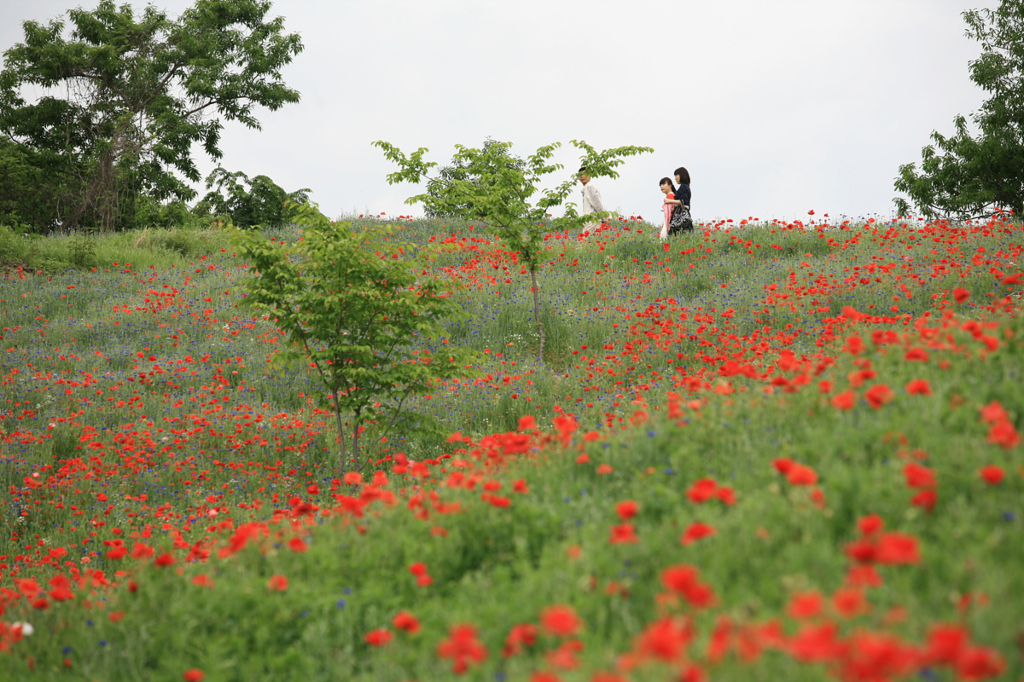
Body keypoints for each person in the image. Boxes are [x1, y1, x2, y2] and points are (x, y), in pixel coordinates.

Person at [663, 166, 693, 234]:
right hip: (683, 215)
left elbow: (683, 202)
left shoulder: (683, 187)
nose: (675, 178)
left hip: (680, 216)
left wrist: (669, 201)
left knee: (675, 235)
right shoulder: (686, 187)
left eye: (676, 175)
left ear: (681, 175)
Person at [578, 167, 605, 238]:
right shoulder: (586, 188)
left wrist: (604, 218)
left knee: (587, 241)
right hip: (589, 220)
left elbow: (597, 204)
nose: (582, 176)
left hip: (593, 219)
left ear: (590, 175)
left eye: (585, 174)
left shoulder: (590, 187)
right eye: (580, 175)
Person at [659, 177, 676, 241]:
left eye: (663, 184)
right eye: (660, 185)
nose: (661, 187)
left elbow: (670, 212)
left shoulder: (670, 196)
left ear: (670, 185)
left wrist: (668, 223)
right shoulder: (671, 195)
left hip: (668, 221)